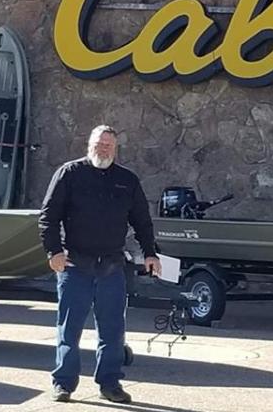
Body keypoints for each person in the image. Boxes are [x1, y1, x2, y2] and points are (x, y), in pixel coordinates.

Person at [39, 124, 162, 403]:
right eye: (99, 143)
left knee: (113, 331)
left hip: (111, 267)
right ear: (89, 144)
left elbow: (142, 220)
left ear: (115, 149)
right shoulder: (69, 174)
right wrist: (53, 251)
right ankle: (63, 383)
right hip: (75, 265)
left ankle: (110, 384)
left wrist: (150, 254)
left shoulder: (127, 180)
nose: (103, 148)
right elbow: (48, 216)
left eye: (108, 145)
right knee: (69, 329)